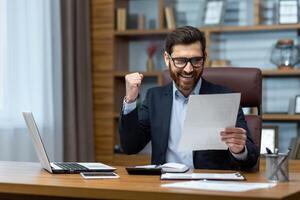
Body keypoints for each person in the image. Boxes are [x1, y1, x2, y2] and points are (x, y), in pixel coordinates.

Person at [119, 26, 259, 170]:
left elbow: (251, 158)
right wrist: (130, 100)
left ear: (204, 57)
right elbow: (130, 146)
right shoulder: (155, 98)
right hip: (165, 184)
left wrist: (239, 150)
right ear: (167, 59)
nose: (188, 69)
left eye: (196, 60)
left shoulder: (224, 97)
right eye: (180, 61)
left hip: (207, 185)